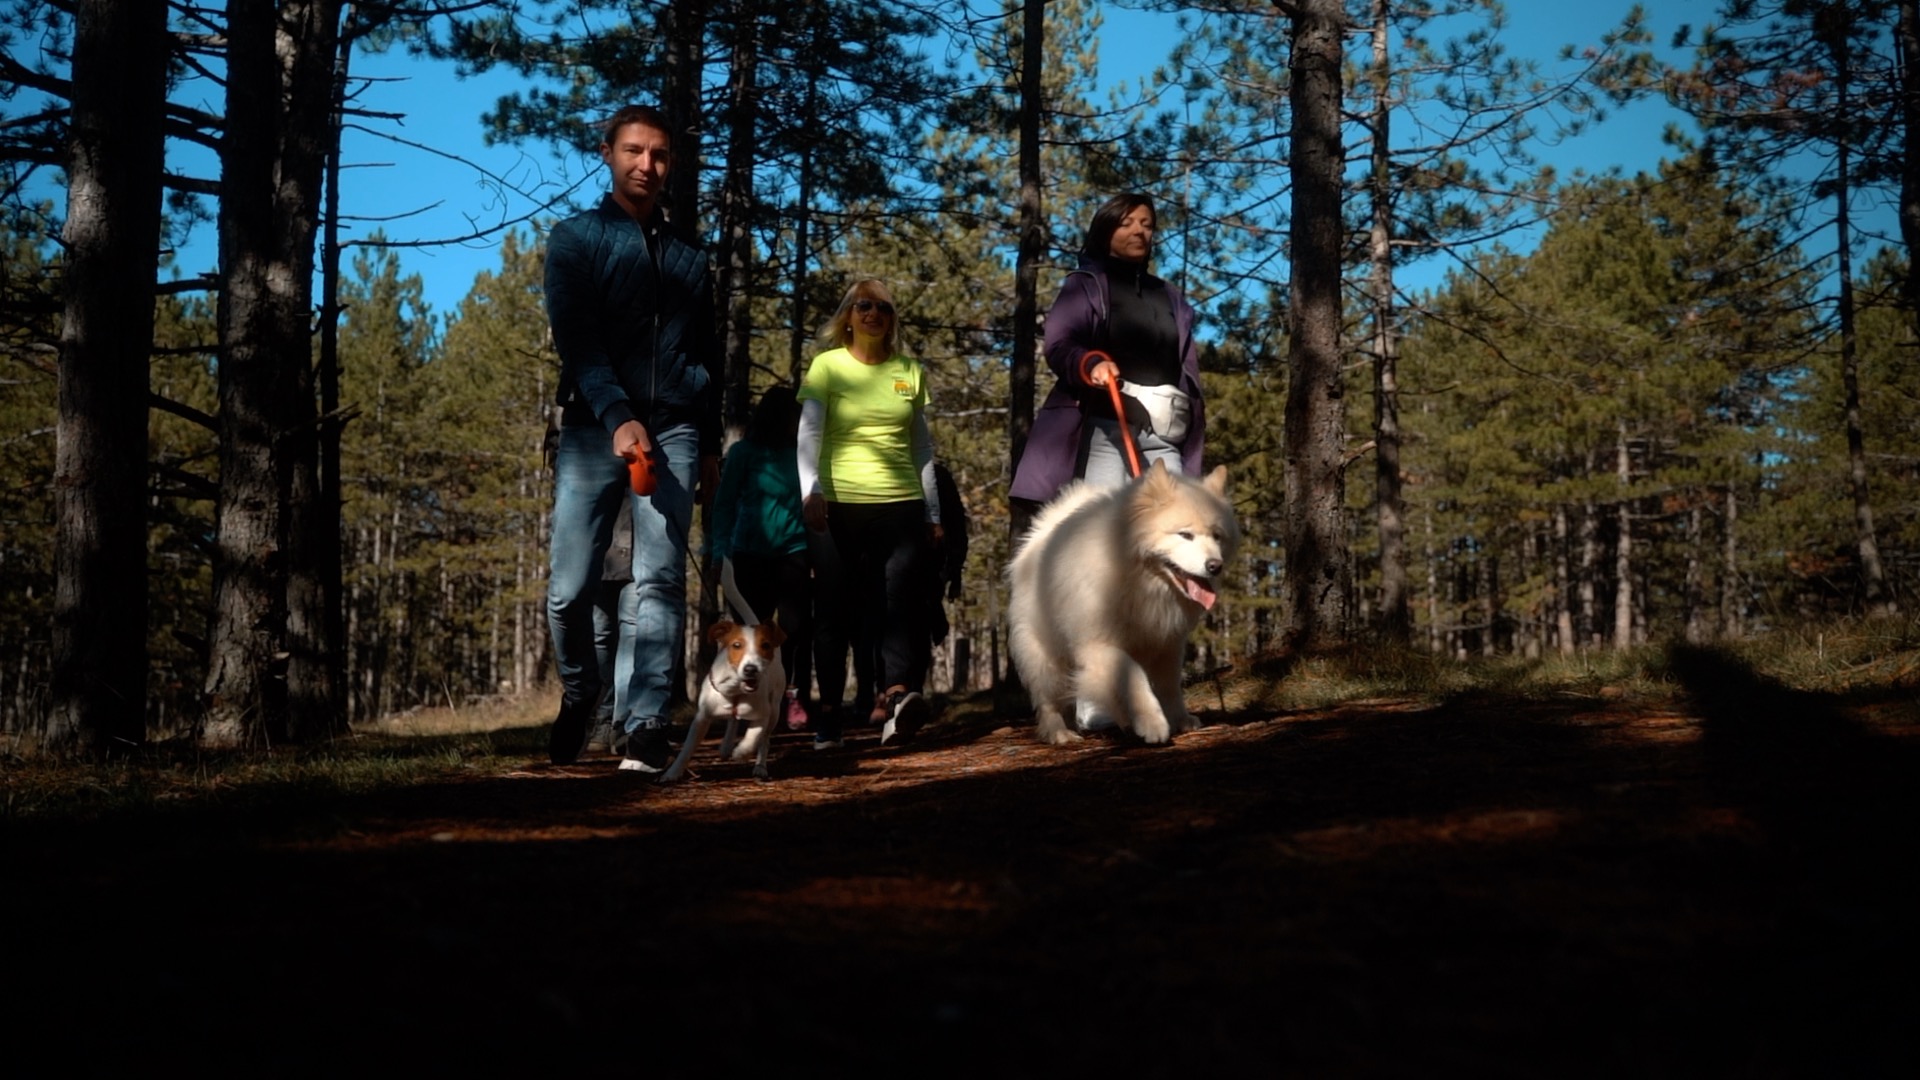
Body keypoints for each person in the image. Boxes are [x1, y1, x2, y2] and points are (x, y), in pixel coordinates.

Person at [543, 104, 722, 772]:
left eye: (661, 155)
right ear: (608, 153)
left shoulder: (690, 257)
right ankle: (583, 690)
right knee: (570, 588)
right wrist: (617, 415)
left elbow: (711, 353)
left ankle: (645, 721)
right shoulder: (575, 239)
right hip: (594, 428)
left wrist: (707, 445)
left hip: (674, 424)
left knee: (661, 577)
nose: (648, 165)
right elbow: (578, 342)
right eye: (635, 152)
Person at [797, 279, 942, 749]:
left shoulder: (909, 372)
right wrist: (810, 490)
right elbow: (809, 434)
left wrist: (932, 509)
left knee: (900, 603)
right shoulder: (827, 366)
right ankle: (828, 718)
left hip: (900, 503)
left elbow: (921, 446)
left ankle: (898, 697)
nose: (873, 313)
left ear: (892, 319)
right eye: (864, 305)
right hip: (836, 506)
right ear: (848, 316)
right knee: (833, 614)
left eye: (883, 307)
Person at [1009, 192, 1206, 512]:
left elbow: (1186, 367)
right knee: (1104, 527)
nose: (1139, 231)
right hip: (1105, 425)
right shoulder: (1086, 284)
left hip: (1166, 431)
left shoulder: (1169, 296)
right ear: (1105, 231)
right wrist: (1091, 362)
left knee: (1169, 525)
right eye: (1126, 223)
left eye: (1147, 224)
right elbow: (1059, 345)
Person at [709, 384, 813, 731]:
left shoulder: (803, 453)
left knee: (793, 630)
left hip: (795, 550)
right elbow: (723, 506)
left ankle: (791, 693)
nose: (799, 421)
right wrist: (717, 552)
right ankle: (748, 700)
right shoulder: (743, 454)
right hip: (748, 555)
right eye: (794, 415)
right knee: (751, 634)